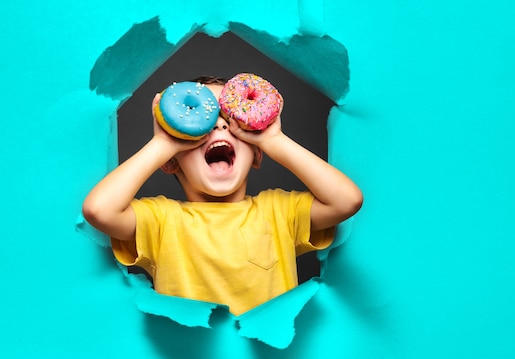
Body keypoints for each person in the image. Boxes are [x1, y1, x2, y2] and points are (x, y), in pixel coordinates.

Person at [82, 76, 363, 316]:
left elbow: (346, 200)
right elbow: (99, 210)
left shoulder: (279, 212)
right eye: (200, 121)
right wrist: (163, 143)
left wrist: (273, 140)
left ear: (257, 154)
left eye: (231, 119)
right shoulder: (160, 221)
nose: (218, 126)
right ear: (170, 161)